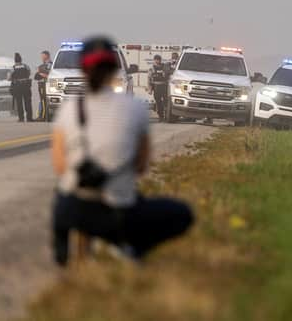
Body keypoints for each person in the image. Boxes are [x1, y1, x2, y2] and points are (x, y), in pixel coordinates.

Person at [51, 35, 193, 266]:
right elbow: (141, 165)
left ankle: (65, 251)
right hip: (118, 212)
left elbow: (59, 166)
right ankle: (132, 246)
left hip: (75, 211)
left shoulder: (68, 109)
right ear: (115, 68)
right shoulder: (135, 108)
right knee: (183, 213)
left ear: (82, 69)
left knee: (64, 193)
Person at [11, 52, 34, 122]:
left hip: (17, 86)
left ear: (15, 60)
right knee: (28, 102)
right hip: (26, 85)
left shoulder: (13, 67)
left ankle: (21, 118)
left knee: (19, 103)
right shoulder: (25, 66)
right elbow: (29, 73)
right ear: (21, 59)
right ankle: (29, 118)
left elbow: (9, 77)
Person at [147, 55, 169, 121]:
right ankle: (161, 116)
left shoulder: (165, 67)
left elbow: (168, 75)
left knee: (166, 102)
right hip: (156, 87)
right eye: (156, 59)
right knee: (158, 103)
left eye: (158, 59)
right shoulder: (152, 68)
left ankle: (166, 115)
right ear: (154, 60)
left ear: (160, 60)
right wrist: (149, 89)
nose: (157, 61)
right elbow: (149, 79)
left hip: (164, 86)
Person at [34, 50, 53, 121]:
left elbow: (49, 74)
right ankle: (42, 115)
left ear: (47, 56)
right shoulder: (42, 65)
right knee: (42, 101)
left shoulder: (50, 65)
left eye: (42, 56)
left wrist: (40, 74)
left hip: (44, 84)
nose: (41, 57)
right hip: (41, 84)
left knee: (44, 100)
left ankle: (43, 116)